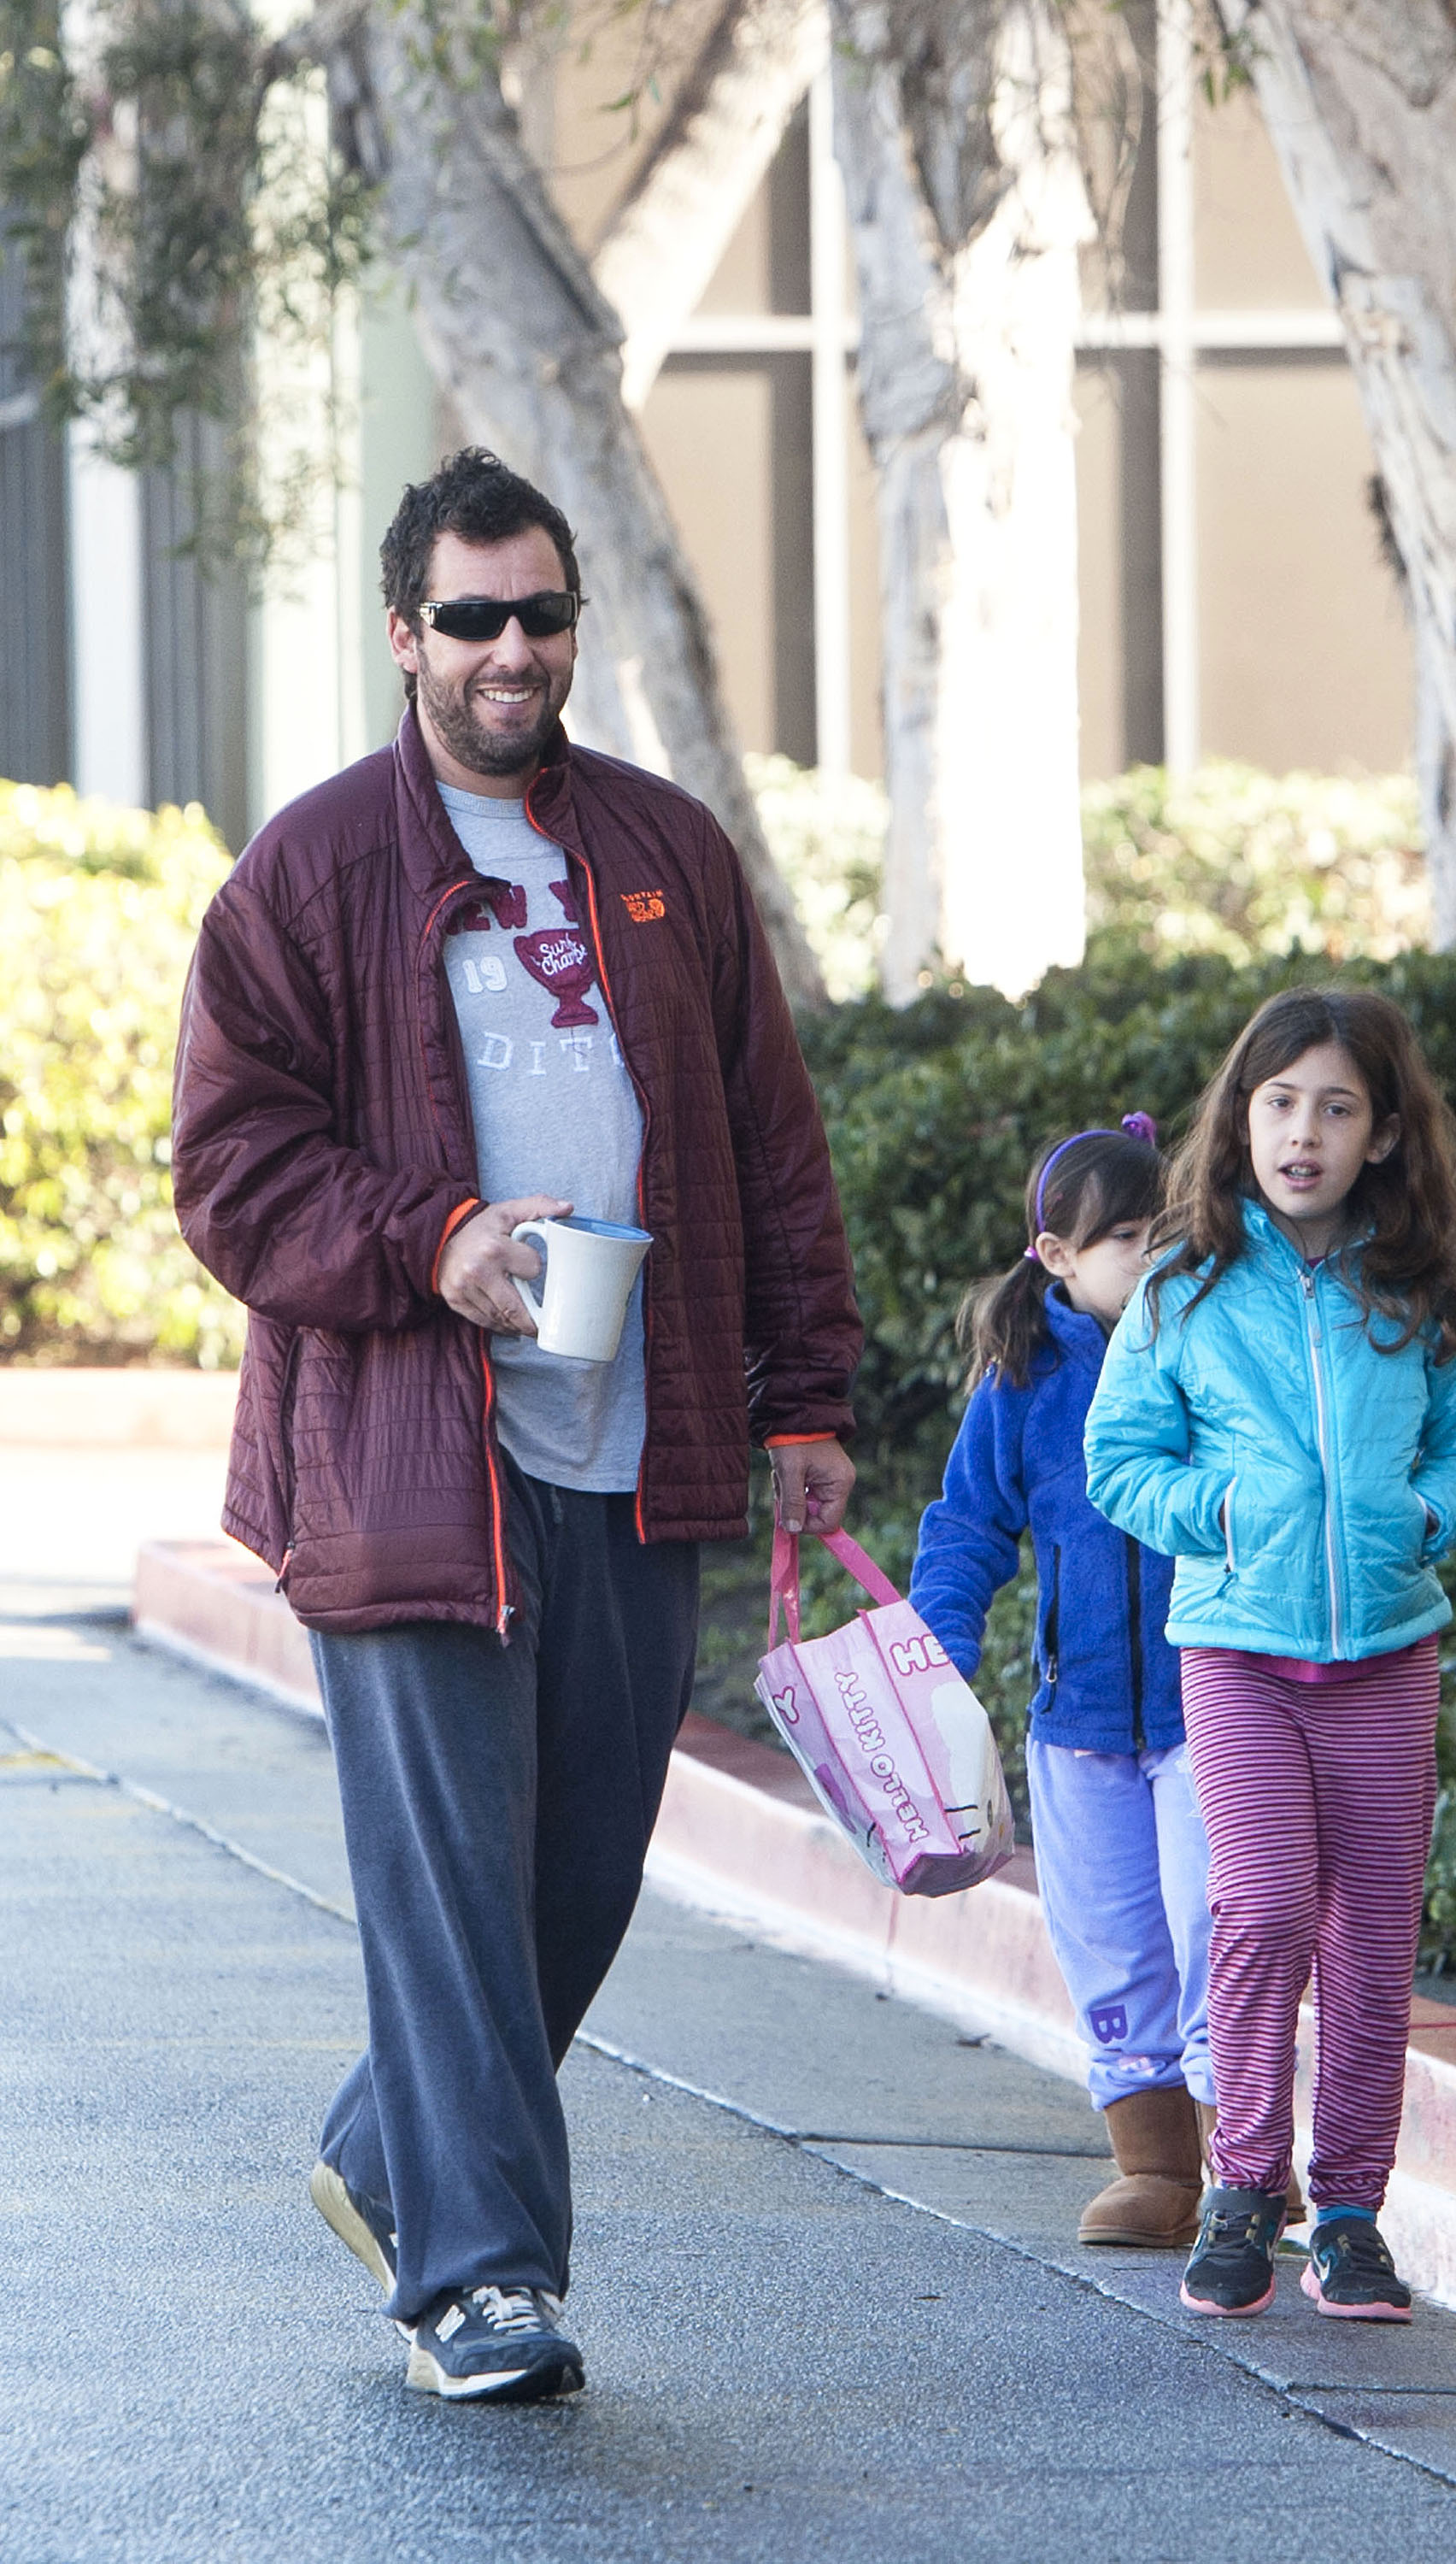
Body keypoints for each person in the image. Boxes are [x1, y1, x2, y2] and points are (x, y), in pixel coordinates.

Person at [171, 446, 861, 2402]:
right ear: (405, 633)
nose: (510, 649)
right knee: (453, 1886)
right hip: (406, 1460)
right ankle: (479, 2285)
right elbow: (231, 1169)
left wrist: (805, 1392)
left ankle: (392, 2157)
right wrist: (439, 1242)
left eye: (539, 614)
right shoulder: (311, 870)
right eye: (471, 617)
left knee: (579, 1879)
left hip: (640, 1448)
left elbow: (769, 1144)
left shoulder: (665, 851)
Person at [1085, 987, 1456, 2324]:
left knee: (1372, 1945)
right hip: (1239, 1649)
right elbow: (1120, 1458)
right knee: (1264, 1909)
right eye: (1279, 1103)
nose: (1302, 1133)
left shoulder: (1422, 1285)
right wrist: (1219, 1515)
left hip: (1385, 1651)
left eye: (1335, 1108)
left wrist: (1421, 1516)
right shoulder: (1185, 1283)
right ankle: (1240, 2186)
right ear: (1242, 1118)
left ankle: (1347, 2216)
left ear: (1381, 1134)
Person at [909, 1123, 1218, 2249]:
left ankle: (1243, 2165)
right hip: (1076, 1723)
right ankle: (1154, 2168)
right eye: (1126, 1238)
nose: (1153, 1256)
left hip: (1209, 1709)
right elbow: (966, 1525)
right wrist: (938, 1650)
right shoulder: (1024, 1380)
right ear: (1054, 1254)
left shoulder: (1208, 1350)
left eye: (1167, 1234)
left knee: (1216, 1929)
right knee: (1111, 1945)